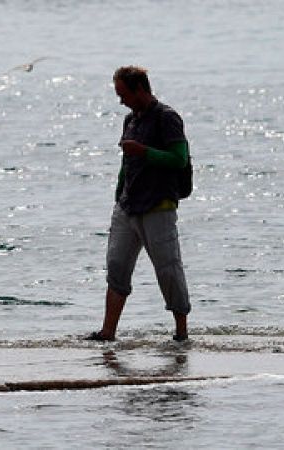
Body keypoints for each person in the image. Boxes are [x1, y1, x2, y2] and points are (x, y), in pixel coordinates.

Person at [87, 66, 191, 342]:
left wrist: (145, 152)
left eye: (123, 94)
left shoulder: (167, 118)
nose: (120, 100)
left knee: (168, 269)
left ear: (140, 89)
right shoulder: (130, 120)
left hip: (159, 205)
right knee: (117, 266)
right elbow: (126, 162)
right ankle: (108, 332)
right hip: (127, 206)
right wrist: (118, 194)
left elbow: (179, 159)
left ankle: (181, 332)